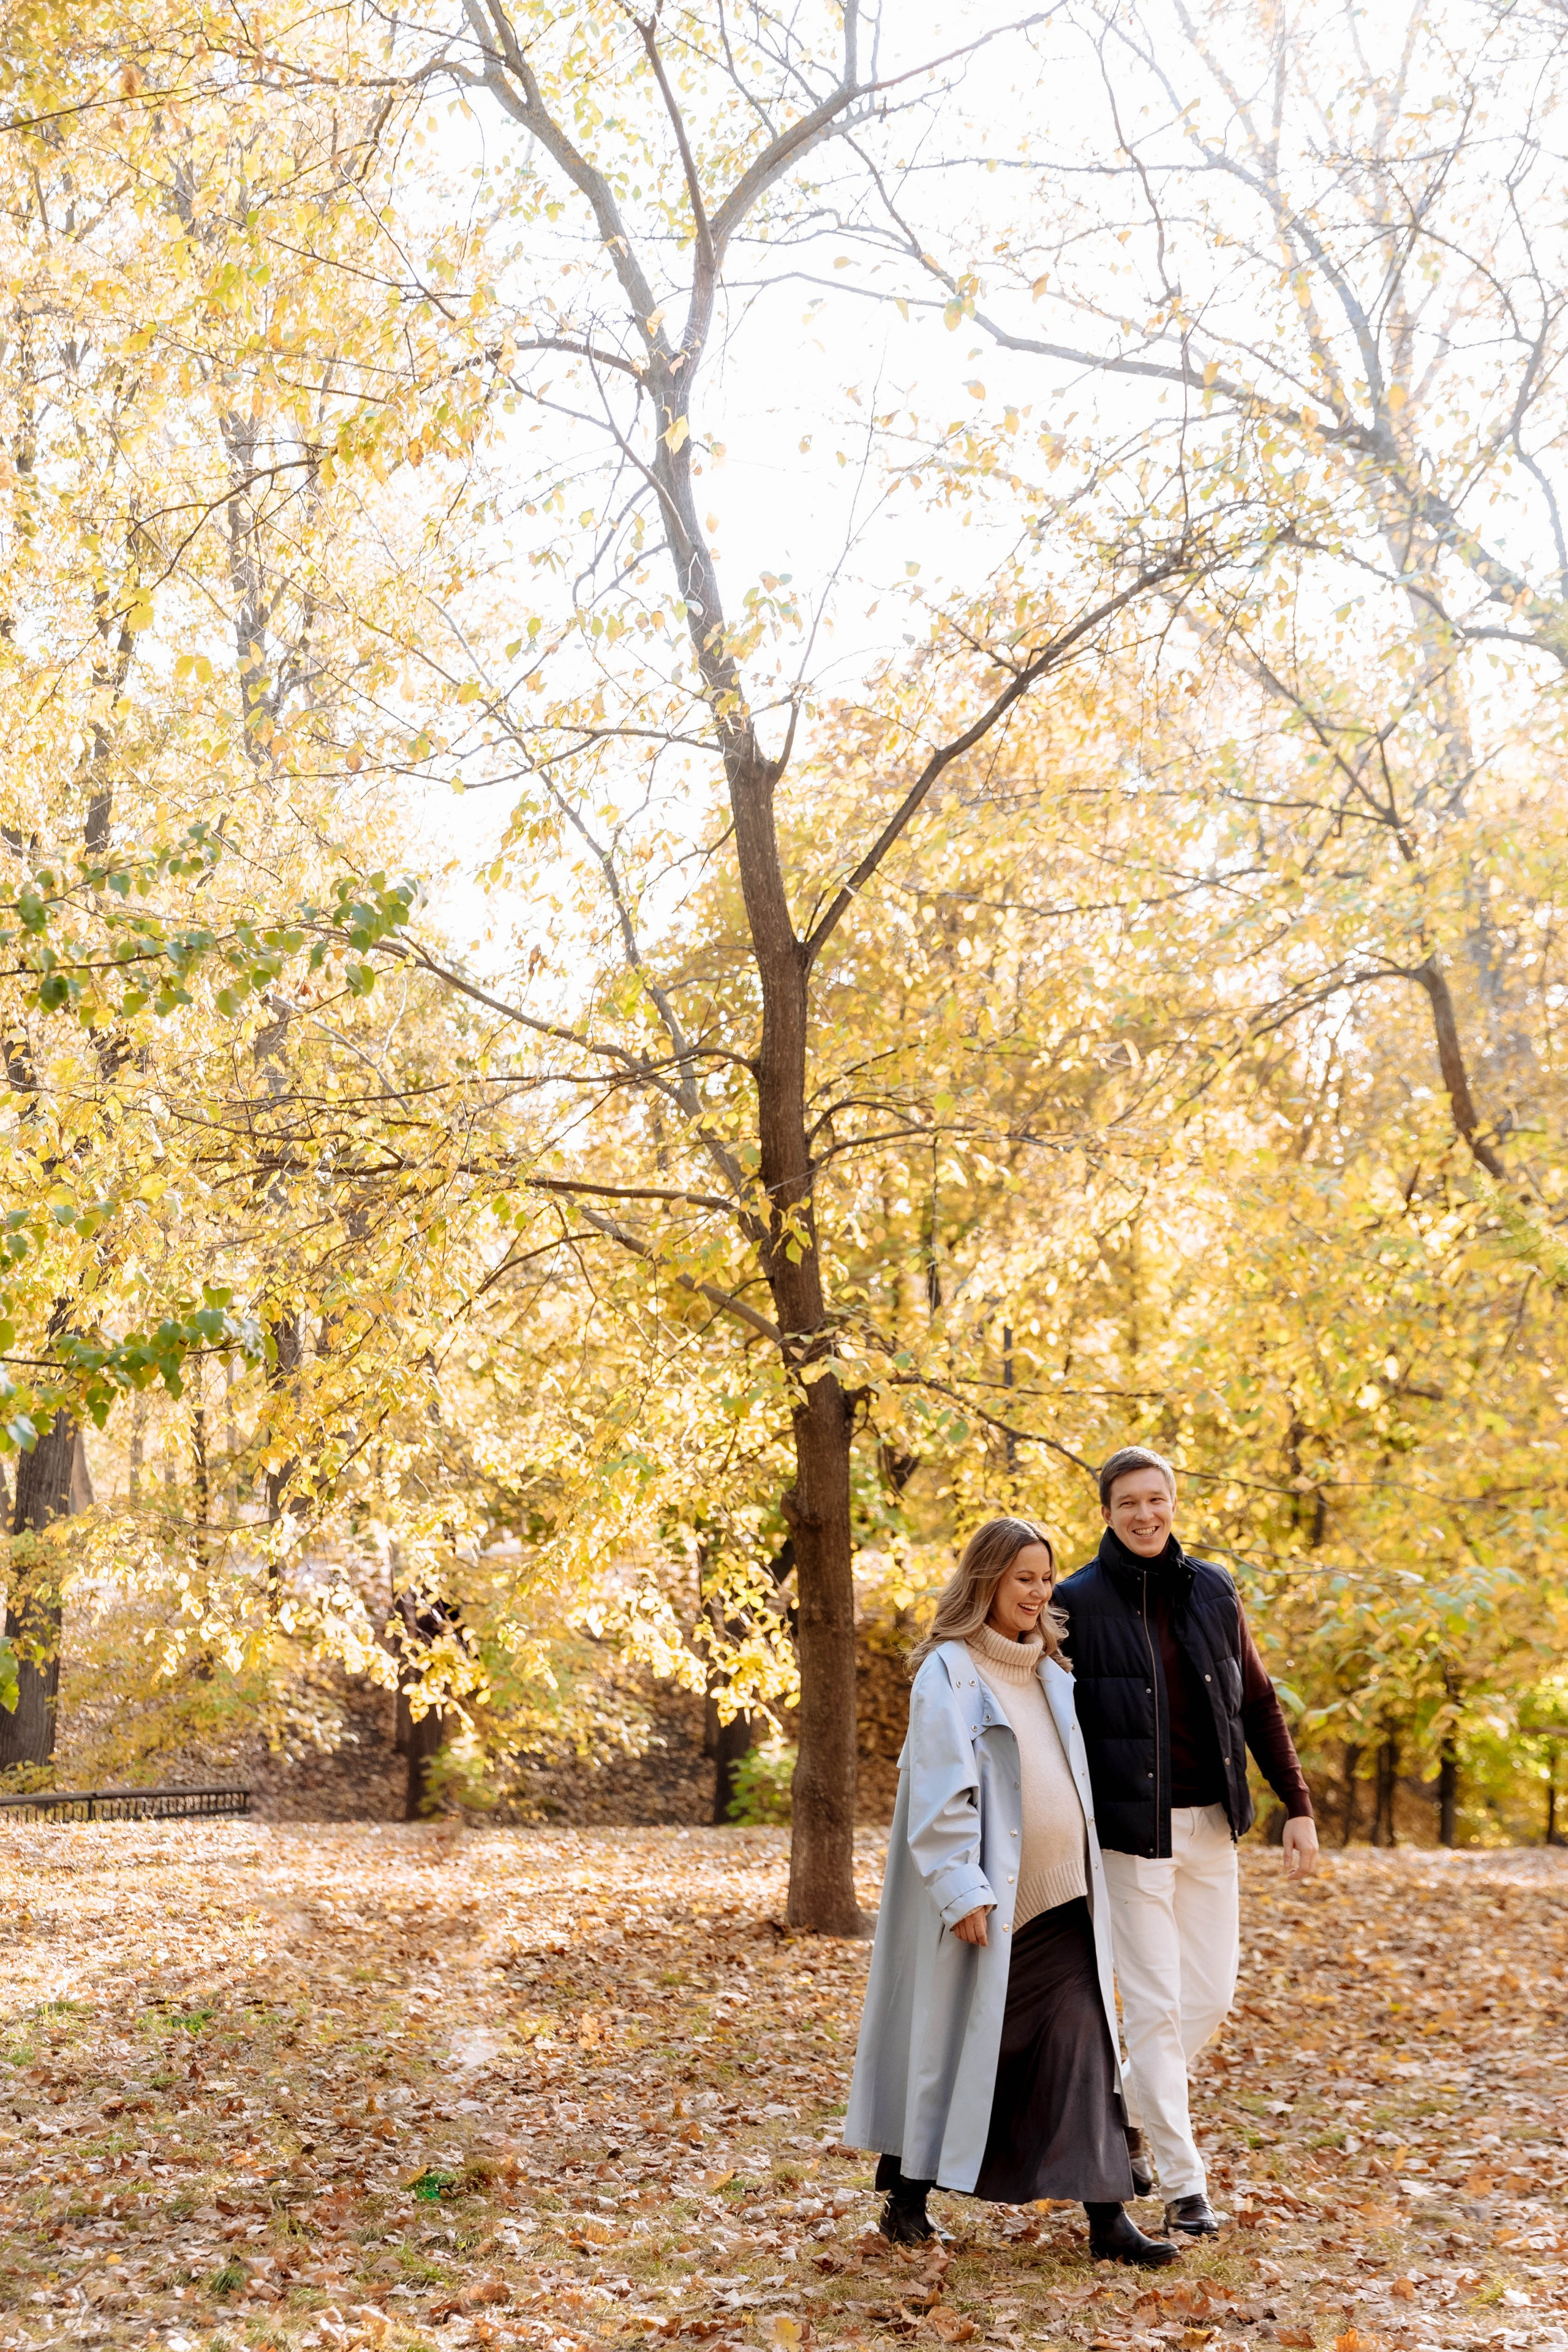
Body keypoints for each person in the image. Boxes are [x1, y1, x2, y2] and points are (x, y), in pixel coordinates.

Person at [843, 1515, 1179, 2268]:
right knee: (957, 2049)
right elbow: (938, 1793)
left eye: (1045, 1578)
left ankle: (1108, 2219)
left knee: (1082, 2041)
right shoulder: (949, 1673)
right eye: (1022, 1577)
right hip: (992, 1902)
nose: (1037, 1592)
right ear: (987, 1581)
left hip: (1063, 1898)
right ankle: (906, 2195)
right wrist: (962, 1890)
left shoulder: (1050, 1675)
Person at [1055, 1448, 1320, 2241]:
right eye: (1129, 1502)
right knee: (1159, 2012)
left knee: (1209, 1997)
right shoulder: (1074, 1603)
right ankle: (1183, 2184)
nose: (1145, 1514)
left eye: (1157, 1500)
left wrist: (1296, 1805)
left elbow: (1260, 1703)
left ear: (1174, 1504)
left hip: (1212, 1828)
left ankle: (1122, 2111)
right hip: (1132, 1838)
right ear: (1107, 1512)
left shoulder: (1213, 1588)